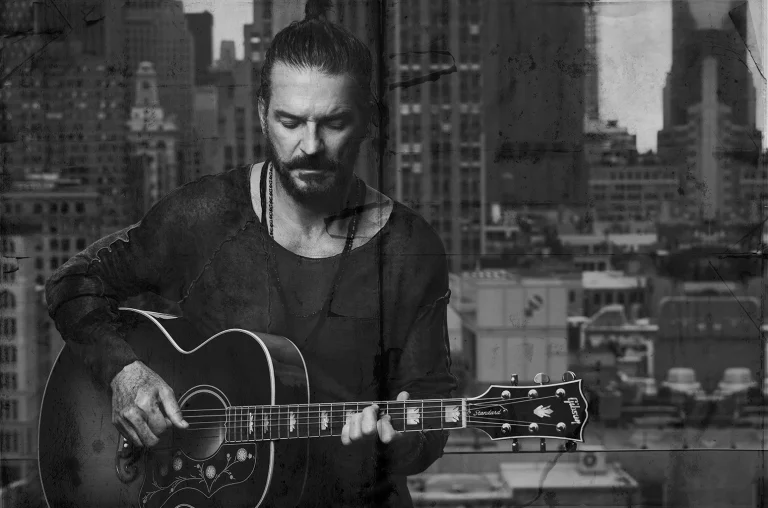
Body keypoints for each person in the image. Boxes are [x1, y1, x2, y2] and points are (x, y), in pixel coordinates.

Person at [44, 3, 457, 507]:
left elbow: (431, 415)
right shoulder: (206, 215)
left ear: (368, 121)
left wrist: (394, 444)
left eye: (333, 122)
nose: (310, 145)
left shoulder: (410, 249)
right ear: (263, 114)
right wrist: (124, 372)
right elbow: (73, 283)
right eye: (290, 121)